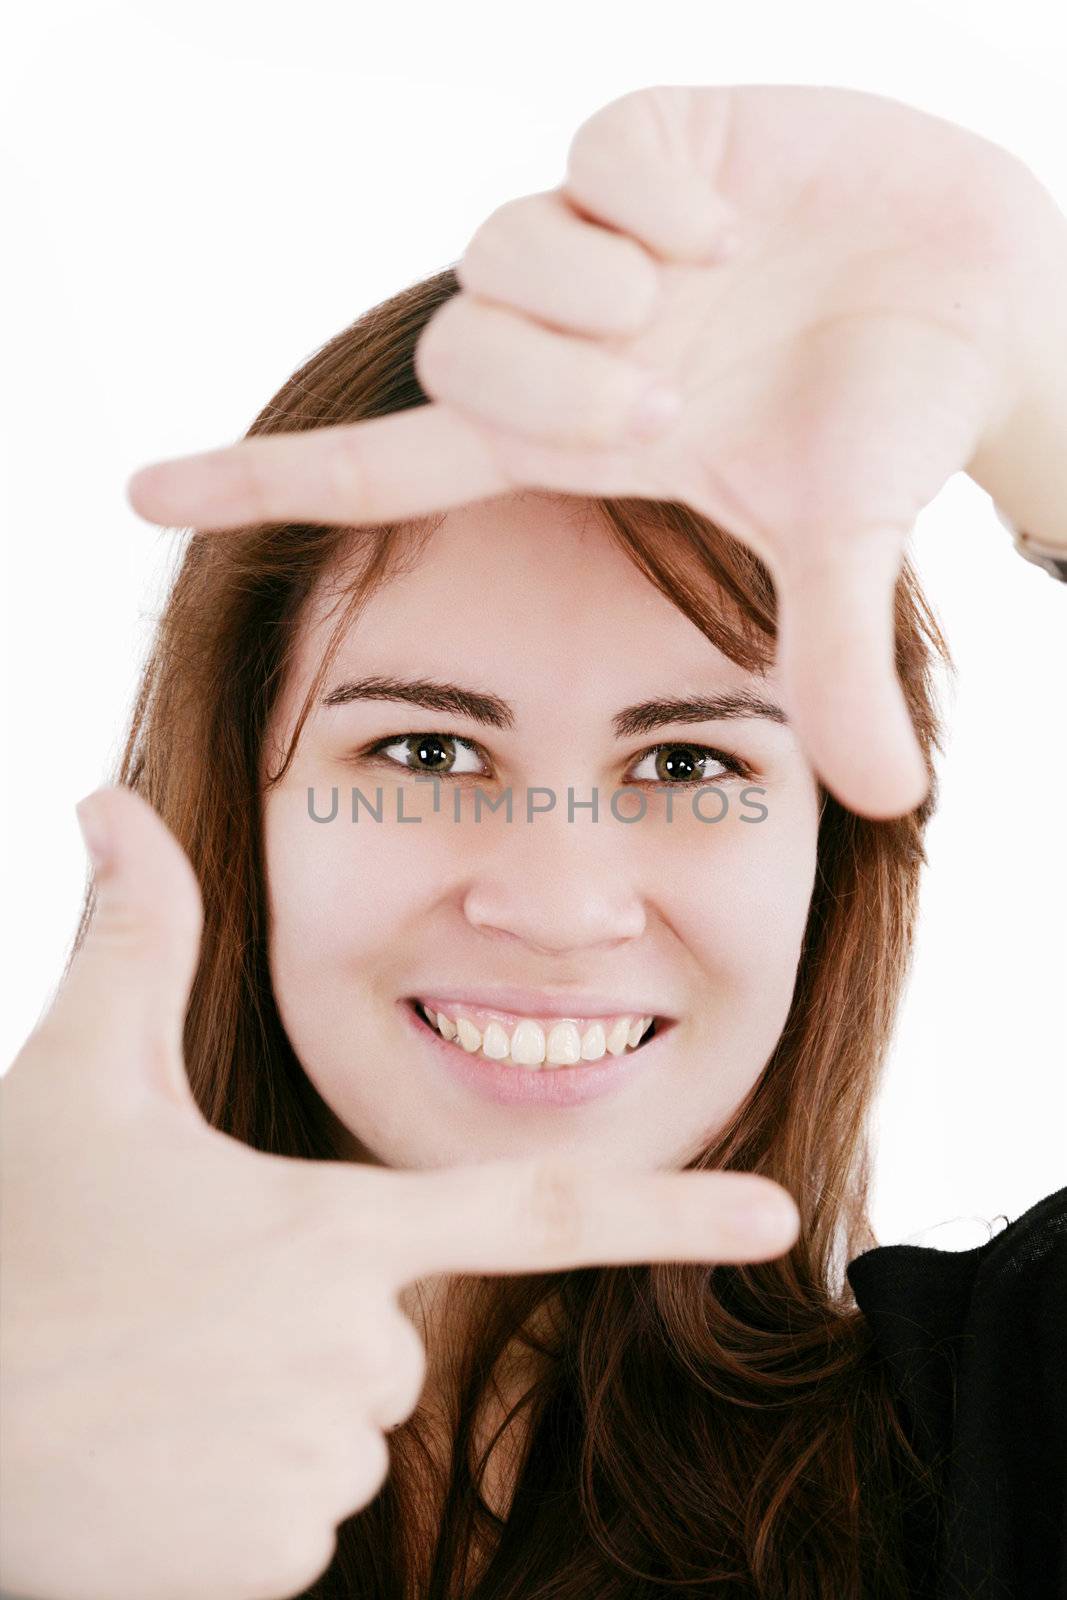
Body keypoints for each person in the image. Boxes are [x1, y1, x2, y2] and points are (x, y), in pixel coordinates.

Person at [1, 85, 1064, 1600]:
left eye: (688, 760)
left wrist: (1052, 398)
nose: (561, 902)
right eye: (427, 752)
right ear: (239, 804)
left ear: (831, 853)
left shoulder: (999, 1443)